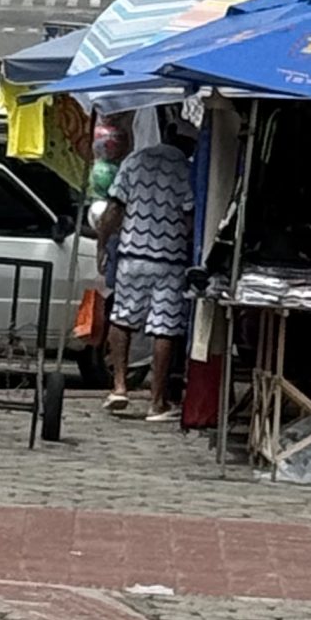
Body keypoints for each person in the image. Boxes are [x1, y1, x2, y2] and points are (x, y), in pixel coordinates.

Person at [97, 115, 197, 422]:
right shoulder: (188, 171)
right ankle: (157, 402)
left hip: (131, 257)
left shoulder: (135, 161)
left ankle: (119, 387)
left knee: (122, 318)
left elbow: (114, 208)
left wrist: (102, 243)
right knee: (165, 328)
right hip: (170, 261)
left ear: (166, 133)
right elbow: (190, 217)